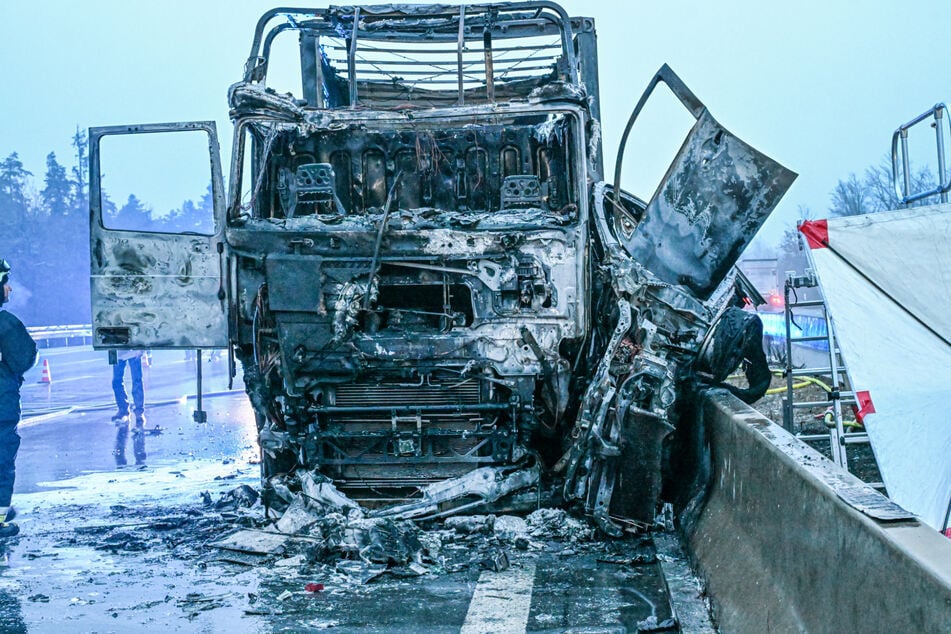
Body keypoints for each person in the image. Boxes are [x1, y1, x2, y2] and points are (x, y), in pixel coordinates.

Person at [0, 259, 37, 538]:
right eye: (4, 282)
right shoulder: (6, 324)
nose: (9, 288)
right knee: (1, 460)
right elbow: (24, 357)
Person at [111, 349, 146, 426]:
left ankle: (139, 412)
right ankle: (123, 410)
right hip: (117, 350)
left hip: (133, 349)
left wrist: (141, 349)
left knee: (136, 381)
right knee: (116, 381)